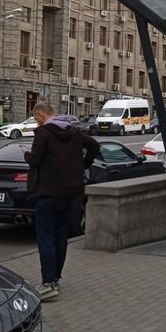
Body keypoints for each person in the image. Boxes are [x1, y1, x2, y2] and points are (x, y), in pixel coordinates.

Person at [25, 102, 99, 302]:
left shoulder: (43, 133)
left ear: (41, 115)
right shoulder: (74, 132)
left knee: (46, 237)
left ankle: (48, 285)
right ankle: (55, 279)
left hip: (48, 193)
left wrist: (27, 155)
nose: (36, 121)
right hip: (70, 194)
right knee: (60, 236)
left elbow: (35, 161)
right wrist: (82, 165)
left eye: (36, 118)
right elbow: (94, 145)